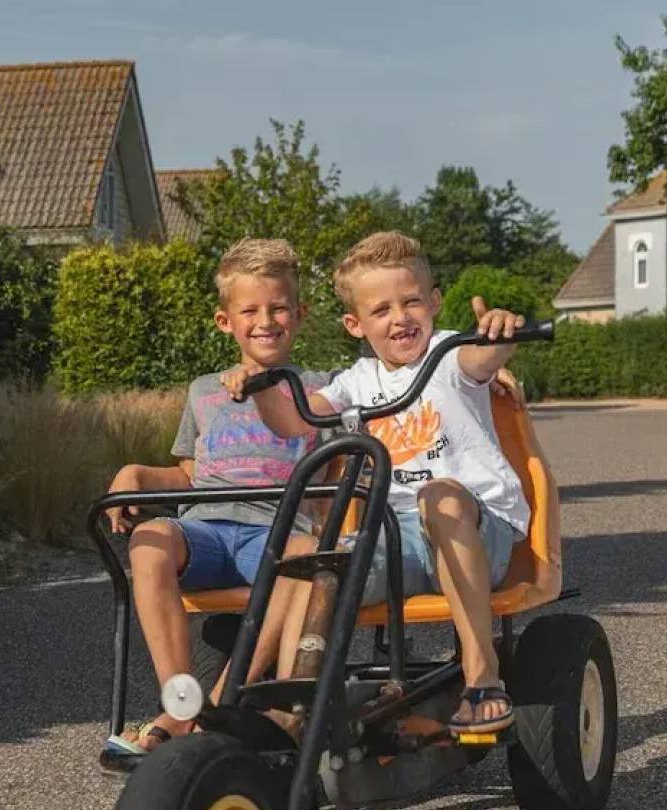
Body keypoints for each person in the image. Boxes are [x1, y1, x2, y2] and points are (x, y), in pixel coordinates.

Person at [226, 231, 530, 735]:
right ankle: (285, 709)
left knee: (440, 495)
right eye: (382, 309)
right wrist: (257, 384)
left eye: (412, 302)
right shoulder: (356, 382)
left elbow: (484, 359)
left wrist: (499, 334)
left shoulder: (449, 354)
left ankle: (482, 675)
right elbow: (293, 421)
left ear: (434, 302)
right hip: (400, 538)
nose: (400, 318)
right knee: (321, 568)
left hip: (476, 528)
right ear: (355, 323)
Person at [99, 238, 330, 766]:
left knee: (302, 558)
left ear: (300, 314)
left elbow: (389, 392)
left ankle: (221, 704)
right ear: (226, 321)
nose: (265, 320)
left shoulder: (322, 387)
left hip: (275, 531)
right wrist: (133, 472)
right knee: (150, 536)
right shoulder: (203, 390)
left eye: (277, 308)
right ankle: (180, 701)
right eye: (249, 310)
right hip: (206, 528)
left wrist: (484, 375)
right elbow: (189, 472)